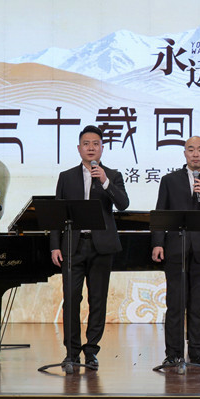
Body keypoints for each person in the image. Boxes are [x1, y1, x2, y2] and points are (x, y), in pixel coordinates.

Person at [50, 125, 129, 369]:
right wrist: (55, 246)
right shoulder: (66, 177)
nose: (91, 148)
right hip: (73, 247)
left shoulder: (112, 175)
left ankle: (91, 351)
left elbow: (123, 204)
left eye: (96, 143)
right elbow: (56, 215)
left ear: (102, 148)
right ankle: (71, 352)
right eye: (86, 143)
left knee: (98, 300)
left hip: (101, 247)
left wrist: (105, 181)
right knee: (71, 299)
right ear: (79, 148)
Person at [151, 136, 200, 369]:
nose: (196, 154)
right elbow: (160, 212)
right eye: (191, 150)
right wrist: (158, 243)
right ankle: (173, 354)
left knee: (199, 305)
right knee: (175, 304)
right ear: (185, 153)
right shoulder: (169, 180)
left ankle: (197, 354)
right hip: (176, 249)